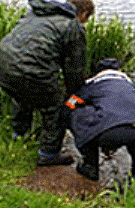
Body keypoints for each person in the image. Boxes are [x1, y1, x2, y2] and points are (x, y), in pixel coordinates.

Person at [0, 0, 95, 166]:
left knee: (21, 95)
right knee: (56, 108)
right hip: (30, 70)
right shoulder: (72, 26)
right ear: (84, 13)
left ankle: (19, 136)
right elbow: (75, 69)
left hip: (3, 66)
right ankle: (49, 154)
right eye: (86, 19)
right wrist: (75, 94)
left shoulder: (36, 13)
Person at [63, 58, 135, 184]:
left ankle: (90, 166)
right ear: (119, 70)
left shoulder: (93, 84)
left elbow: (71, 104)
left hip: (112, 131)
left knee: (76, 113)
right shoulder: (129, 85)